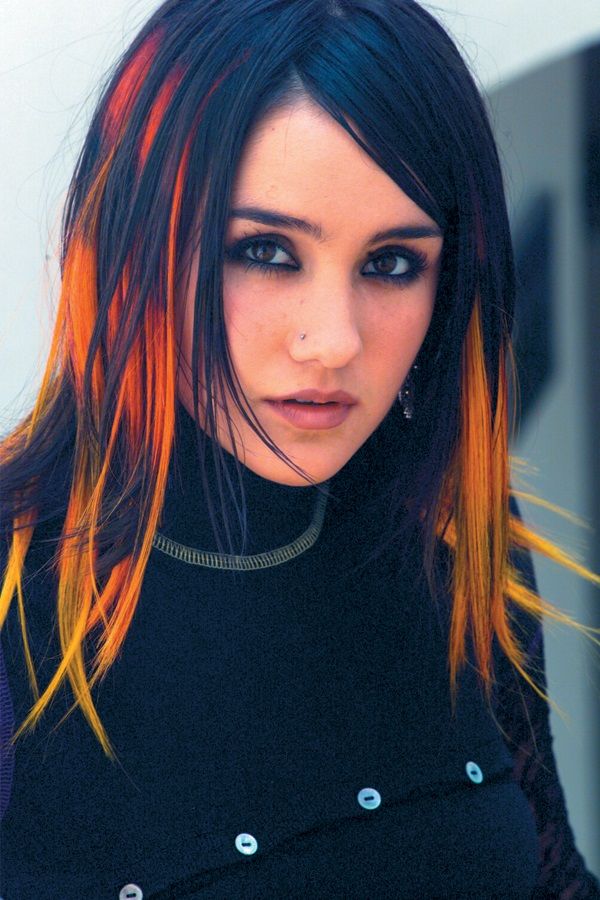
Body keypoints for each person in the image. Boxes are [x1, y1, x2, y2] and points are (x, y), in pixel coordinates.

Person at [1, 0, 599, 896]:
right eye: (267, 251)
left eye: (391, 263)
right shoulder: (16, 592)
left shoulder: (451, 534)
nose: (334, 342)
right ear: (129, 241)